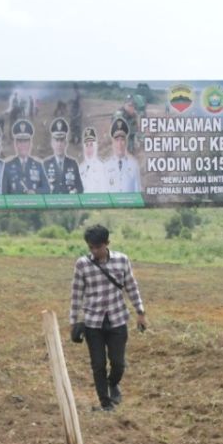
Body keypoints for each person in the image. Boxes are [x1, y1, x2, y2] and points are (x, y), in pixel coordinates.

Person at [69, 224, 148, 411]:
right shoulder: (82, 264)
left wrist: (141, 312)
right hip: (92, 322)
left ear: (107, 243)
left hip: (117, 319)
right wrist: (73, 322)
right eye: (91, 247)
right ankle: (105, 402)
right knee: (98, 364)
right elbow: (76, 294)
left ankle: (113, 384)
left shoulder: (122, 261)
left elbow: (131, 286)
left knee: (118, 363)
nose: (95, 251)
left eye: (98, 247)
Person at [0, 119, 50, 195]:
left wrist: (35, 192)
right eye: (20, 141)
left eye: (26, 141)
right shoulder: (7, 166)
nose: (23, 145)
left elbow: (47, 189)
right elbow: (3, 193)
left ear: (30, 143)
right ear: (15, 144)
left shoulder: (38, 165)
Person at [43, 117, 83, 194]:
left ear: (66, 143)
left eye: (62, 140)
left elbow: (80, 187)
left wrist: (75, 191)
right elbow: (41, 189)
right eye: (57, 140)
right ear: (52, 143)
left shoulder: (73, 164)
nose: (59, 144)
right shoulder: (46, 164)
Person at [106, 117, 141, 193]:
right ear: (113, 143)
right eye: (117, 140)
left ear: (126, 142)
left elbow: (138, 194)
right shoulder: (105, 167)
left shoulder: (133, 165)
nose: (120, 144)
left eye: (122, 140)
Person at [78, 126, 109, 193]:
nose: (89, 149)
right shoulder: (80, 168)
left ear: (95, 147)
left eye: (91, 145)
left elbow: (105, 192)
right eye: (86, 145)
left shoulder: (102, 167)